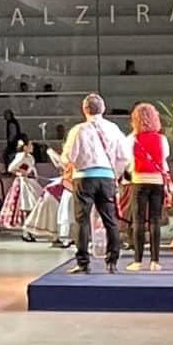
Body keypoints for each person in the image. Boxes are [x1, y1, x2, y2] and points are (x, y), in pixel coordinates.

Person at [61, 92, 130, 275]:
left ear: (84, 109)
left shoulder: (78, 130)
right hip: (106, 177)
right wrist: (115, 173)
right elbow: (124, 156)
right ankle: (112, 262)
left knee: (82, 221)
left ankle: (83, 263)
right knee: (110, 220)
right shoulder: (113, 128)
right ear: (103, 109)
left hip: (83, 178)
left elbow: (68, 157)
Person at [124, 103, 169, 272]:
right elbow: (165, 157)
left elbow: (127, 161)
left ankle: (138, 261)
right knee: (155, 220)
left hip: (139, 180)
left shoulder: (131, 139)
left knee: (138, 221)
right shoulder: (162, 139)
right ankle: (155, 261)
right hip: (157, 181)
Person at [0, 141, 42, 234]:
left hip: (30, 181)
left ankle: (30, 227)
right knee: (25, 204)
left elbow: (31, 168)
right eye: (30, 145)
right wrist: (19, 173)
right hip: (23, 182)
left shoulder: (30, 157)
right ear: (25, 147)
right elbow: (11, 168)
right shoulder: (20, 156)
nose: (32, 147)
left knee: (34, 203)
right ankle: (26, 229)